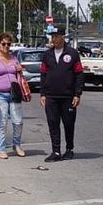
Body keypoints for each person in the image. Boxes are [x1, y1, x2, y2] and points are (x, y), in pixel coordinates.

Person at [39, 27, 84, 162]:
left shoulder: (73, 53)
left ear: (63, 37)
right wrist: (42, 93)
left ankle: (69, 149)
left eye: (57, 36)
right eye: (52, 37)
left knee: (68, 123)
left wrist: (77, 94)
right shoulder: (47, 55)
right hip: (51, 96)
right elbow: (43, 74)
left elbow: (79, 74)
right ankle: (56, 151)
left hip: (68, 96)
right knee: (53, 123)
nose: (54, 39)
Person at [0, 32, 25, 159]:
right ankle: (2, 149)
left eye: (8, 44)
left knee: (18, 121)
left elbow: (18, 72)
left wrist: (19, 69)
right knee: (2, 122)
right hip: (0, 94)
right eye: (4, 44)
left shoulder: (13, 58)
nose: (6, 46)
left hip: (14, 93)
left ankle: (17, 145)